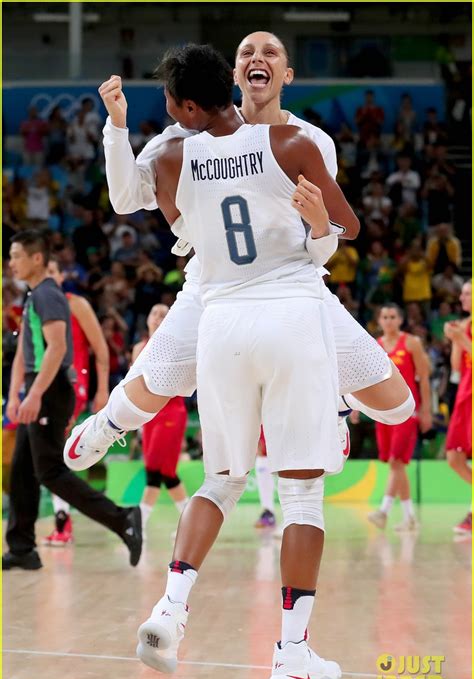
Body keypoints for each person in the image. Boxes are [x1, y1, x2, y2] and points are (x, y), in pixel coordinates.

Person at [64, 32, 414, 482]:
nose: (257, 58)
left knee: (397, 407)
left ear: (286, 74)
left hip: (293, 288)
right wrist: (116, 127)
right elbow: (127, 197)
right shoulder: (182, 141)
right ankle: (104, 425)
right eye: (246, 52)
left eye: (270, 52)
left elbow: (336, 229)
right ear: (233, 76)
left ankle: (337, 403)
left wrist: (323, 225)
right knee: (147, 390)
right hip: (213, 288)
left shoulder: (309, 141)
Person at [135, 42, 353, 679]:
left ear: (182, 104)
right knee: (301, 493)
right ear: (232, 80)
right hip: (287, 314)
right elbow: (347, 228)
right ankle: (292, 654)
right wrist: (321, 226)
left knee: (219, 480)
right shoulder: (292, 142)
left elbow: (175, 228)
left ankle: (169, 610)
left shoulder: (175, 155)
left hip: (220, 320)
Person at [2, 230, 142, 571]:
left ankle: (122, 518)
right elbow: (25, 349)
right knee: (22, 469)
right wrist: (15, 394)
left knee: (49, 470)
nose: (11, 262)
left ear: (38, 259)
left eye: (17, 255)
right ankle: (21, 548)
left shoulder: (49, 296)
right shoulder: (36, 296)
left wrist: (34, 393)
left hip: (50, 389)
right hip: (40, 386)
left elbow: (58, 348)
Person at [43, 256, 110, 546]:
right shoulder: (36, 307)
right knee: (50, 457)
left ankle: (64, 522)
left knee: (55, 456)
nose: (47, 276)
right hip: (47, 386)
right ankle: (65, 521)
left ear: (60, 275)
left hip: (73, 386)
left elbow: (100, 348)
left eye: (52, 270)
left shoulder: (75, 304)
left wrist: (103, 390)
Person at [367, 304, 432, 532]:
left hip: (408, 412)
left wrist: (426, 411)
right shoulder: (375, 345)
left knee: (396, 461)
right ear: (379, 321)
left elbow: (424, 378)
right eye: (384, 317)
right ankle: (410, 517)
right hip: (383, 413)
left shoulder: (412, 343)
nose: (389, 320)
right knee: (397, 465)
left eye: (393, 316)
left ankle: (383, 511)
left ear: (400, 320)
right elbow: (368, 381)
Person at [131, 304, 188, 538]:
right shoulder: (138, 348)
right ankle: (189, 521)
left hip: (171, 413)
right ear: (147, 319)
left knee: (156, 468)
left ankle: (139, 525)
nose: (157, 317)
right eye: (154, 313)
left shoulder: (175, 345)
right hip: (149, 415)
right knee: (163, 472)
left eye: (163, 315)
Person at [444, 281, 472, 534]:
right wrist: (455, 339)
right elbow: (456, 368)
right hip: (465, 393)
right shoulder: (464, 326)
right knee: (453, 456)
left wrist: (462, 339)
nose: (462, 297)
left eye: (467, 293)